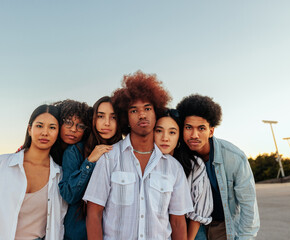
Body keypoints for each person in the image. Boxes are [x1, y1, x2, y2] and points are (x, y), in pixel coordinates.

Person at [83, 71, 193, 240]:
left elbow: (178, 222)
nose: (142, 115)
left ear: (156, 114)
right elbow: (94, 213)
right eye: (134, 110)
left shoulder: (173, 168)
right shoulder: (109, 159)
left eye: (147, 108)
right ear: (125, 118)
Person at [0, 104, 68, 240]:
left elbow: (59, 224)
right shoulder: (0, 164)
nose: (45, 132)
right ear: (30, 129)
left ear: (58, 132)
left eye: (52, 127)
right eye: (39, 126)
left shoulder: (60, 175)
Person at [176, 94, 260, 240]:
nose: (194, 135)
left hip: (223, 225)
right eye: (188, 127)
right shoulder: (177, 157)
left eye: (201, 128)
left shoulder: (234, 157)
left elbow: (248, 205)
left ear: (211, 131)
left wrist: (244, 238)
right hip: (193, 227)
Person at [58, 96, 122, 240]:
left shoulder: (126, 154)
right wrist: (89, 162)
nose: (106, 123)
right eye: (100, 116)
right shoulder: (75, 151)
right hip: (79, 234)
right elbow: (69, 195)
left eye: (113, 117)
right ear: (93, 119)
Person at [154, 109, 213, 240]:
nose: (165, 138)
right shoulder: (146, 163)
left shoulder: (194, 164)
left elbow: (200, 210)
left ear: (179, 135)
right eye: (159, 131)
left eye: (172, 132)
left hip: (191, 231)